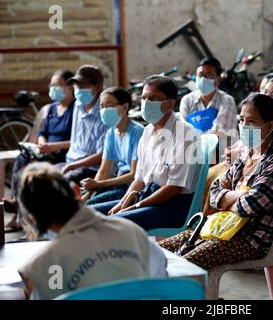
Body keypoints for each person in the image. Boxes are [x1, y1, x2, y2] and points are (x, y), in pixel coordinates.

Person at [159, 93, 273, 270]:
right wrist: (240, 194)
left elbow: (249, 206)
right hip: (221, 228)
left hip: (250, 239)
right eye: (241, 120)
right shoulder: (247, 153)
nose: (243, 126)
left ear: (269, 126)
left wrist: (226, 202)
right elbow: (215, 192)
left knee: (182, 265)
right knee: (158, 252)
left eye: (251, 122)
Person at [17, 162, 167, 300]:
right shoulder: (132, 232)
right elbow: (159, 275)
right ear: (77, 191)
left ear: (31, 219)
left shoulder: (45, 264)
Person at [91, 75, 201, 231]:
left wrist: (136, 205)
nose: (147, 103)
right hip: (148, 195)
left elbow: (174, 188)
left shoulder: (185, 134)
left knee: (113, 224)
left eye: (154, 98)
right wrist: (122, 203)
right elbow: (139, 179)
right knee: (89, 213)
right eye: (144, 98)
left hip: (173, 205)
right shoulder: (148, 131)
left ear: (170, 104)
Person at [4, 69, 75, 232]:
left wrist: (53, 147)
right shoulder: (51, 109)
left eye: (58, 85)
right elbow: (43, 133)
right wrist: (42, 144)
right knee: (22, 158)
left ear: (70, 87)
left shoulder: (75, 110)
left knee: (31, 168)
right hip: (45, 151)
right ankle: (17, 206)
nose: (53, 88)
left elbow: (77, 141)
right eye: (52, 85)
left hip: (61, 155)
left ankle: (20, 210)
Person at [80, 87, 144, 205]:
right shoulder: (111, 133)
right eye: (102, 106)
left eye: (109, 105)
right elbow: (104, 171)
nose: (104, 110)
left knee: (90, 205)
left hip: (131, 187)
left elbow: (134, 174)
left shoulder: (137, 132)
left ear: (124, 107)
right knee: (80, 201)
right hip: (116, 182)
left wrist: (98, 185)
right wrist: (89, 193)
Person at [56, 64, 107, 184]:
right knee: (38, 175)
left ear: (98, 87)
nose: (78, 89)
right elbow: (75, 141)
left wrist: (72, 166)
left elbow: (101, 156)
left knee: (56, 184)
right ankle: (16, 202)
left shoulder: (105, 112)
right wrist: (70, 165)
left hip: (90, 169)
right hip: (70, 163)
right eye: (76, 85)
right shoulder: (78, 105)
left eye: (83, 85)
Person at [179, 57, 238, 149]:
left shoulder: (227, 100)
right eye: (200, 75)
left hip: (220, 154)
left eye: (209, 75)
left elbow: (220, 131)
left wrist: (197, 141)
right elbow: (183, 130)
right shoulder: (187, 100)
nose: (203, 79)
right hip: (193, 153)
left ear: (218, 80)